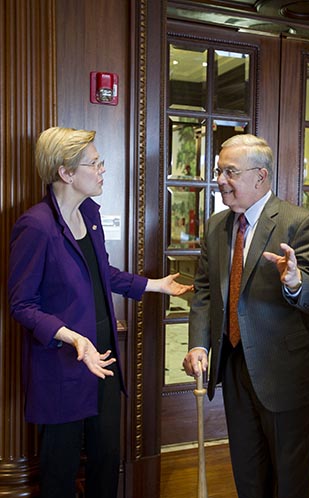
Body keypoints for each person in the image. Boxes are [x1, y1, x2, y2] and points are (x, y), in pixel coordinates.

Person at [8, 127, 192, 498]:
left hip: (103, 358)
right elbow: (21, 304)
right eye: (95, 163)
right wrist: (74, 338)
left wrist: (154, 285)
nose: (103, 169)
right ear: (66, 173)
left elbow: (101, 273)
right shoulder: (36, 226)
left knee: (107, 458)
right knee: (60, 470)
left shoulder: (89, 213)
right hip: (63, 366)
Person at [182, 134, 309, 498]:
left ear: (261, 177)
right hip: (237, 369)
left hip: (290, 376)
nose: (220, 180)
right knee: (249, 478)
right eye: (219, 170)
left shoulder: (299, 223)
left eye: (230, 172)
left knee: (291, 483)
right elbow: (204, 291)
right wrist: (198, 345)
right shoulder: (216, 226)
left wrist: (297, 284)